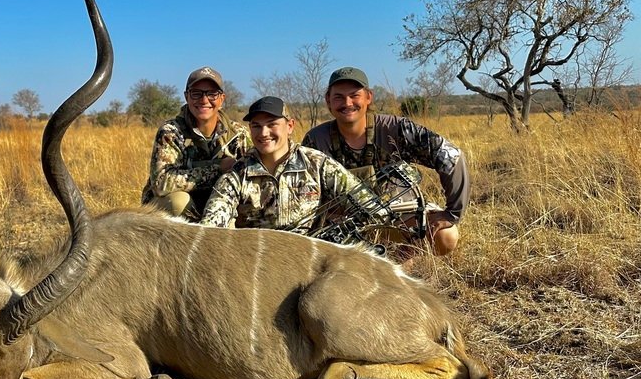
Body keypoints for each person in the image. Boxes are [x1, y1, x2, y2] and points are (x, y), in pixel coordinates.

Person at [303, 67, 469, 255]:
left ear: (368, 97)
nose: (347, 103)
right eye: (339, 97)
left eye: (354, 95)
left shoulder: (396, 128)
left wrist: (452, 213)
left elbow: (451, 155)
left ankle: (407, 258)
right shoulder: (315, 139)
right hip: (345, 225)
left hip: (399, 216)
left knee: (446, 237)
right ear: (328, 100)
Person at [201, 96, 387, 234]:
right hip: (256, 261)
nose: (264, 133)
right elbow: (211, 230)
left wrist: (338, 225)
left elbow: (373, 209)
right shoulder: (236, 175)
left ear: (290, 126)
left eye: (272, 124)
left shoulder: (317, 163)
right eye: (256, 126)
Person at [141, 66, 252, 219]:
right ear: (186, 97)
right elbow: (162, 183)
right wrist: (218, 169)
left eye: (212, 94)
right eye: (196, 94)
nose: (204, 100)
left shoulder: (239, 133)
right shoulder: (171, 132)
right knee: (178, 202)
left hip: (220, 203)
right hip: (176, 210)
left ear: (222, 98)